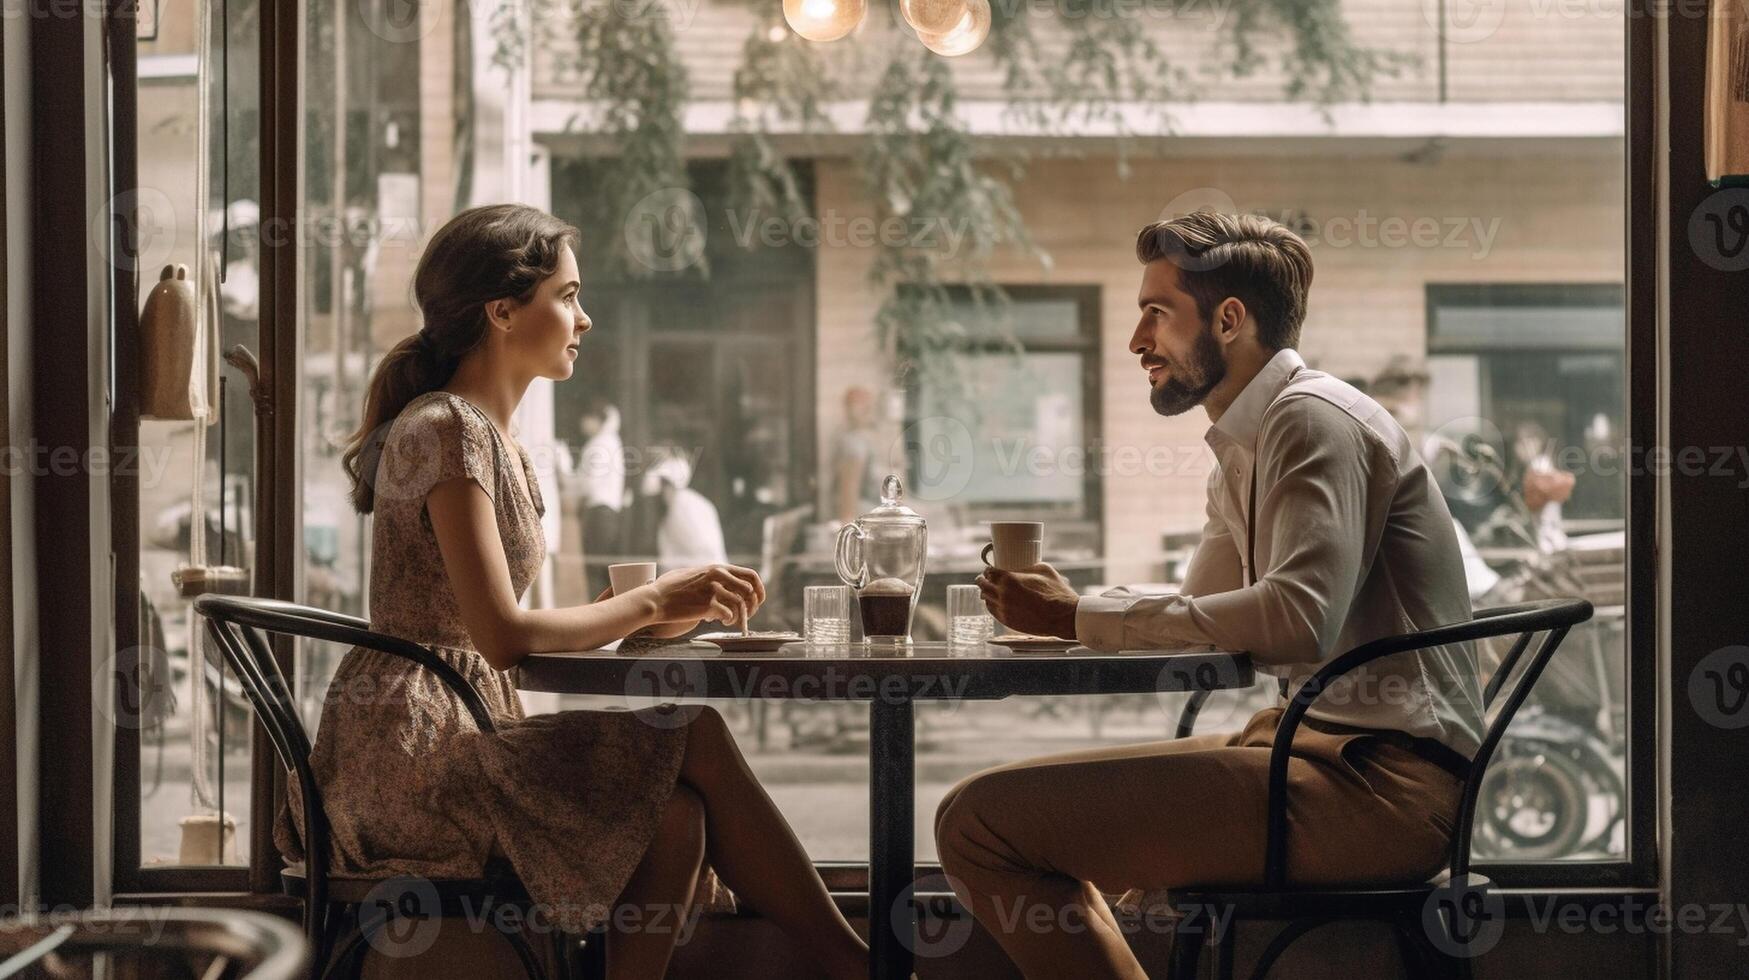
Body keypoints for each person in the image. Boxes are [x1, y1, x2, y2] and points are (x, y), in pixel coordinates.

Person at [292, 204, 866, 979]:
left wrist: (663, 613)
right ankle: (860, 966)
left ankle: (854, 966)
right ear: (501, 310)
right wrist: (655, 601)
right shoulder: (443, 428)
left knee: (677, 816)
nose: (584, 318)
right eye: (566, 295)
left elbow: (512, 627)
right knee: (691, 733)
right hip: (409, 752)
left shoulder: (497, 444)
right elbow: (500, 634)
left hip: (463, 726)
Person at [945, 210, 1482, 977]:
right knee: (997, 813)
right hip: (1320, 756)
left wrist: (1073, 615)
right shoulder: (1246, 440)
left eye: (1155, 313)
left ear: (1229, 320)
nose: (1136, 342)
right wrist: (1073, 607)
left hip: (1382, 789)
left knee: (976, 824)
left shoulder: (1310, 421)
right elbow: (1208, 620)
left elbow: (1297, 618)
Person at [568, 393, 628, 596]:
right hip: (609, 514)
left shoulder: (599, 444)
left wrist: (565, 473)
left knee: (596, 569)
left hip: (599, 513)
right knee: (605, 569)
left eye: (587, 417)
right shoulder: (611, 441)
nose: (583, 422)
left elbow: (589, 485)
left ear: (598, 419)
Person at [643, 452, 729, 574]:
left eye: (665, 484)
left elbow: (703, 551)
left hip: (706, 578)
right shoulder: (674, 508)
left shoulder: (686, 506)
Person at [829, 385, 884, 524]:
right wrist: (848, 523)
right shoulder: (854, 442)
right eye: (865, 408)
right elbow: (849, 487)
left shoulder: (857, 438)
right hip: (864, 518)